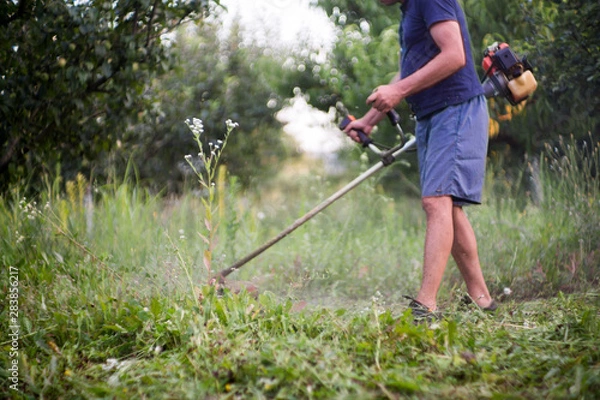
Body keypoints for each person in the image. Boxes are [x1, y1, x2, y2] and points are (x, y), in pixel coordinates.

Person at [343, 0, 497, 319]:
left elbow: (455, 55)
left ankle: (425, 305)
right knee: (448, 209)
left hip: (455, 108)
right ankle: (482, 298)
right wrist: (370, 119)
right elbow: (412, 67)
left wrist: (398, 90)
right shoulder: (409, 9)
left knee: (436, 201)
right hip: (431, 114)